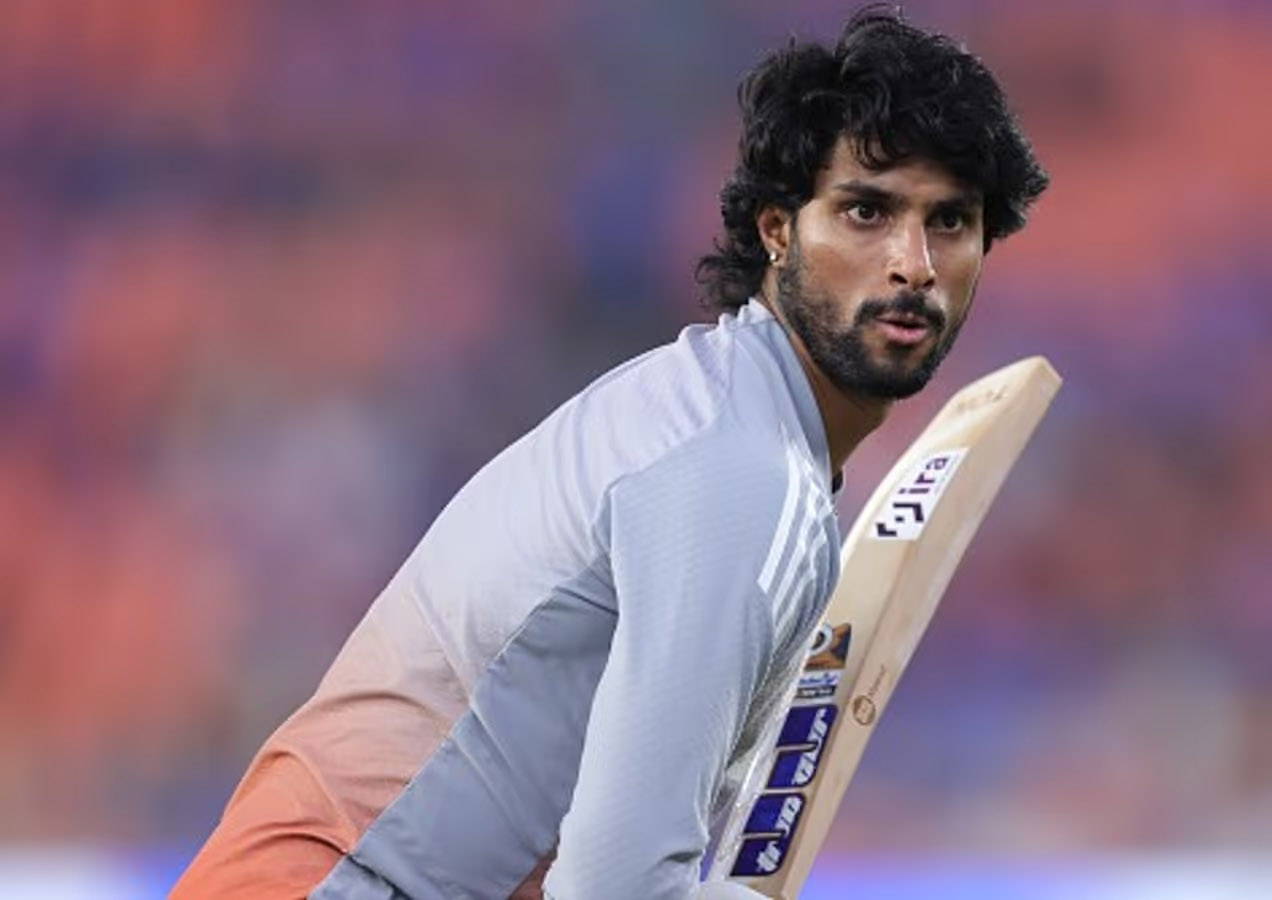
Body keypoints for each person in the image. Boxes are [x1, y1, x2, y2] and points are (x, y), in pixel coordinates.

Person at [172, 6, 1046, 898]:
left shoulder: (709, 415)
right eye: (866, 211)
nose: (913, 264)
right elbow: (616, 887)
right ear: (776, 230)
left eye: (950, 221)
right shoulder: (739, 473)